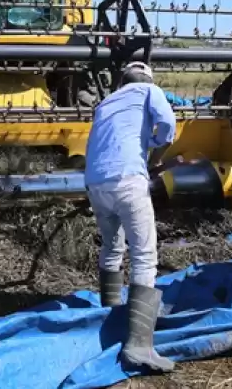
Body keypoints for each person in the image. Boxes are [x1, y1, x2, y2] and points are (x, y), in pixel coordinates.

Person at [84, 61, 178, 373]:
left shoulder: (106, 103)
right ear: (146, 79)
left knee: (112, 246)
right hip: (127, 179)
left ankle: (110, 312)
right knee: (144, 255)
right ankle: (139, 344)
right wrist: (157, 157)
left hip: (96, 183)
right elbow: (167, 127)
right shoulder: (149, 90)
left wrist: (144, 146)